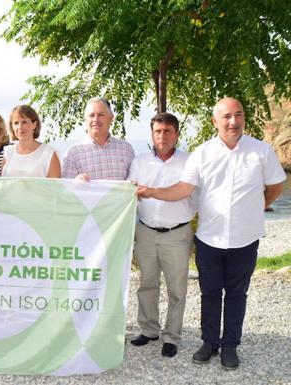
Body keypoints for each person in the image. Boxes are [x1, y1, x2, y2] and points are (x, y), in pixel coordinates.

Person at [136, 97, 286, 369]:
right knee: (210, 293)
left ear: (243, 118)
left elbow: (276, 185)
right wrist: (152, 192)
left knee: (237, 294)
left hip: (245, 238)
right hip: (209, 238)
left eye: (238, 115)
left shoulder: (261, 151)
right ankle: (209, 343)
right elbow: (183, 189)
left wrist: (258, 206)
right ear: (214, 121)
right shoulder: (202, 153)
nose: (233, 121)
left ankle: (230, 346)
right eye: (226, 116)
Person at [128, 112, 195, 358]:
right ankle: (149, 330)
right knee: (147, 284)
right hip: (145, 231)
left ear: (176, 134)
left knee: (176, 288)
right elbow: (128, 191)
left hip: (177, 233)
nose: (162, 136)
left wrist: (153, 192)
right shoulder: (140, 161)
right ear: (152, 134)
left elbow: (185, 192)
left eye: (168, 131)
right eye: (158, 131)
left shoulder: (189, 162)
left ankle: (172, 336)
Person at [62, 97, 134, 181]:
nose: (95, 119)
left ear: (111, 118)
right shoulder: (73, 154)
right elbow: (66, 189)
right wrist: (76, 182)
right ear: (85, 120)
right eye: (91, 115)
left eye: (101, 115)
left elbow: (133, 186)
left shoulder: (126, 149)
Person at [1, 105, 60, 178]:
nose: (20, 127)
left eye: (24, 122)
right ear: (12, 126)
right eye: (16, 123)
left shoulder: (49, 154)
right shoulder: (8, 152)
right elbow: (3, 184)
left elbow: (56, 188)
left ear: (34, 124)